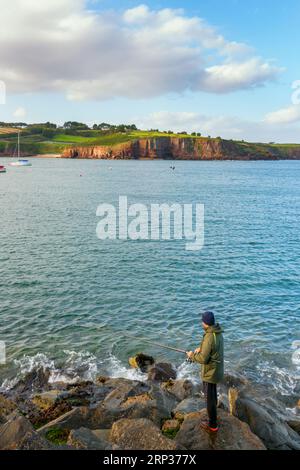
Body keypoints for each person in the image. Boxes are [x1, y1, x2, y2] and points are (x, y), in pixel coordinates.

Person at [186, 311, 224, 433]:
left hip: (210, 373)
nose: (201, 323)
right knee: (212, 396)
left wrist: (192, 355)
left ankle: (212, 425)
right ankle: (213, 417)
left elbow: (203, 359)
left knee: (209, 399)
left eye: (202, 321)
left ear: (206, 323)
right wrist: (201, 348)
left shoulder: (208, 336)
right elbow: (212, 348)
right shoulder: (216, 332)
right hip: (216, 371)